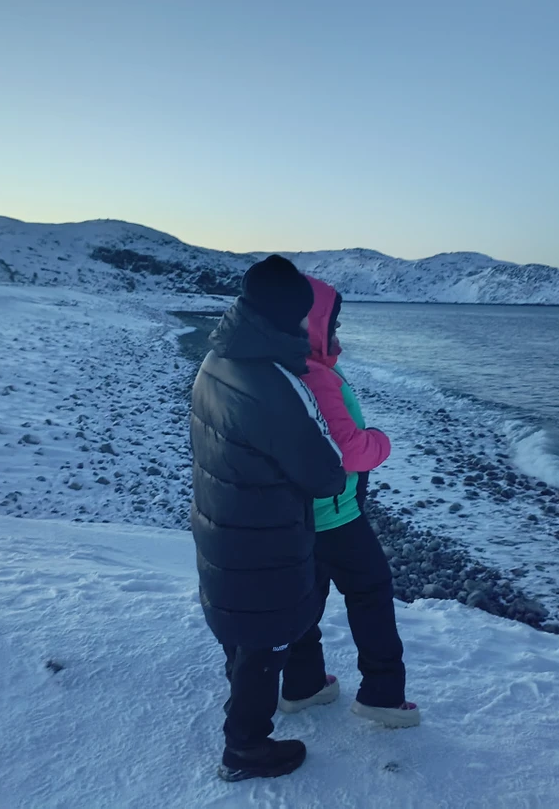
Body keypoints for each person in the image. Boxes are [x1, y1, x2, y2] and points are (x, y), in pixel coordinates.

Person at [190, 255, 348, 782]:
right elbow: (325, 473)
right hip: (264, 538)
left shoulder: (219, 358)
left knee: (241, 629)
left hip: (223, 523)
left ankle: (243, 698)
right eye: (305, 315)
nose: (311, 325)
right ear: (287, 316)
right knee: (265, 638)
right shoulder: (275, 382)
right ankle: (245, 750)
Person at [278, 275, 420, 728]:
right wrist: (381, 442)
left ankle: (302, 684)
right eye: (332, 322)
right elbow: (350, 449)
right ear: (312, 322)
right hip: (336, 515)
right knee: (371, 593)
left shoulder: (283, 364)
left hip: (301, 515)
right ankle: (381, 695)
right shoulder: (315, 375)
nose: (337, 333)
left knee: (306, 600)